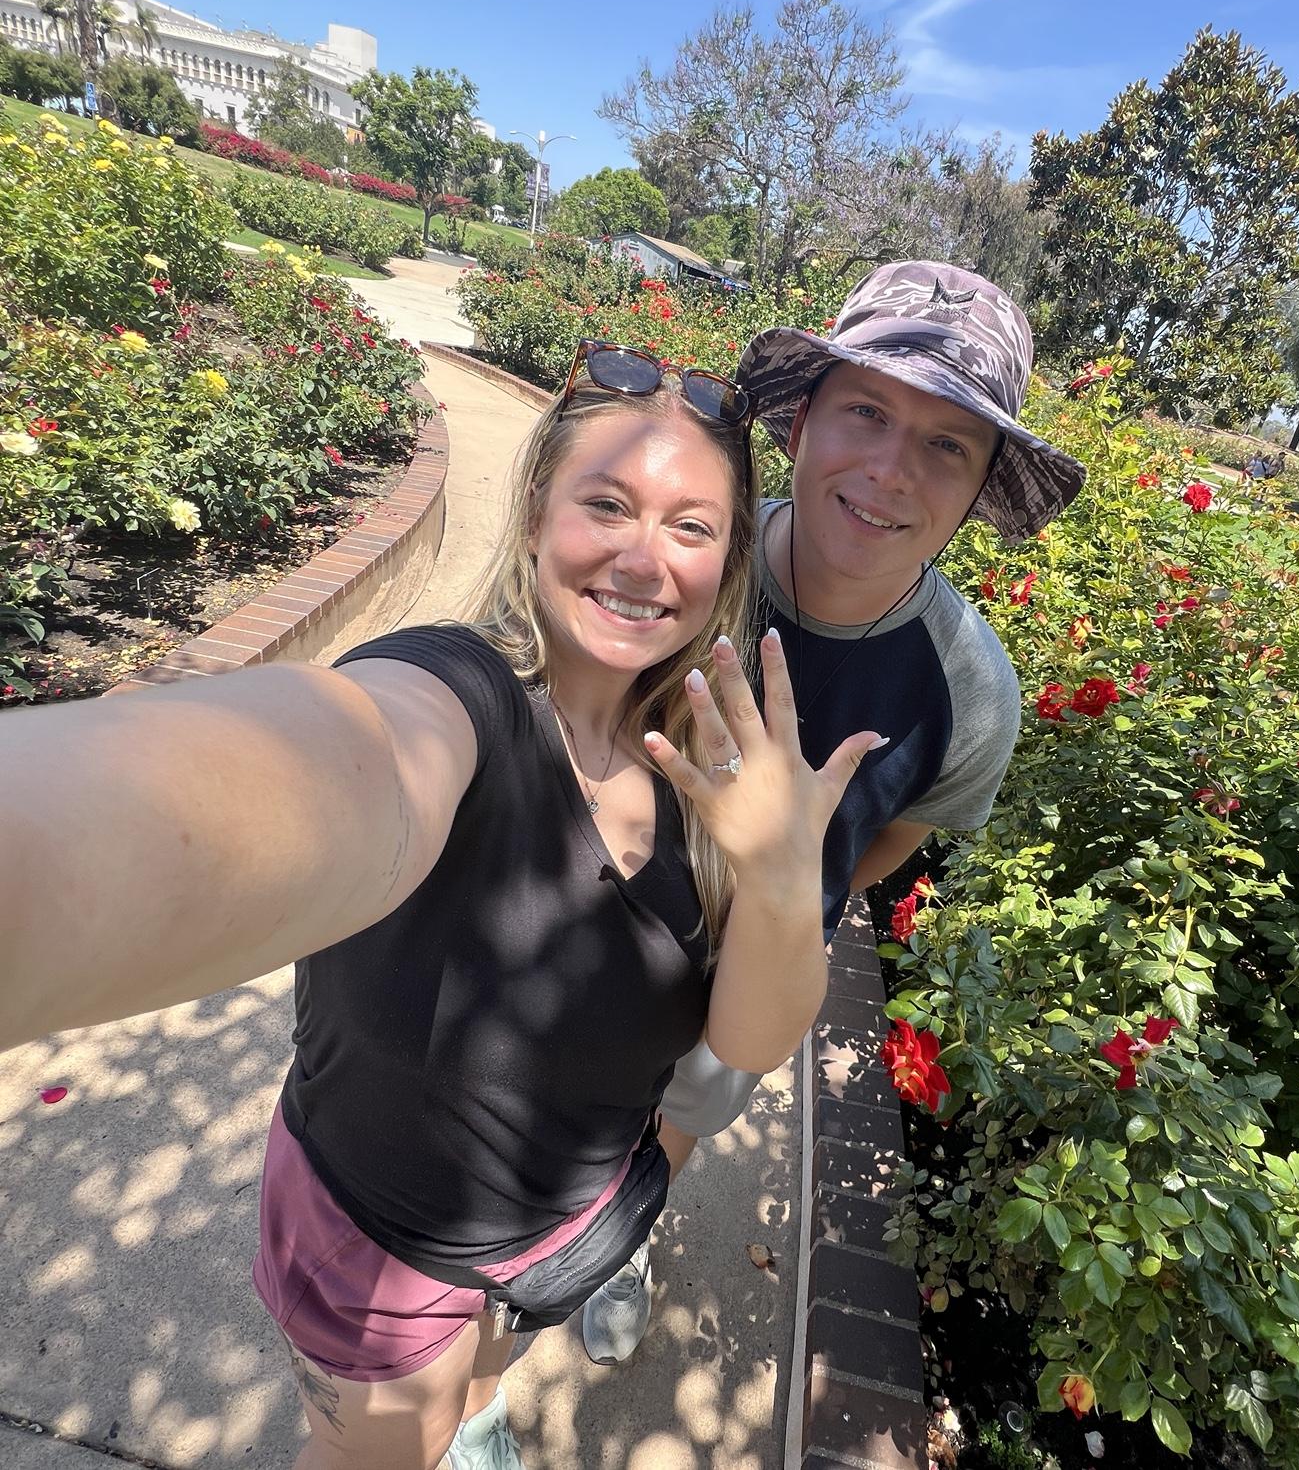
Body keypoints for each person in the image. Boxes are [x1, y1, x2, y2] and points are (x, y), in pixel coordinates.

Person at [0, 339, 884, 1470]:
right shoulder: (454, 695)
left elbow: (750, 1039)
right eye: (605, 503)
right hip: (385, 1247)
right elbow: (329, 764)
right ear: (530, 515)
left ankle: (480, 1408)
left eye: (691, 527)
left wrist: (769, 875)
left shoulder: (708, 766)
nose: (644, 558)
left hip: (566, 1227)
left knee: (475, 1386)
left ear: (726, 564)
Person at [579, 261, 1089, 1366]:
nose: (890, 471)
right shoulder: (689, 556)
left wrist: (779, 893)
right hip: (593, 903)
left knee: (687, 1103)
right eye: (867, 411)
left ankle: (624, 1237)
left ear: (977, 485)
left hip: (760, 956)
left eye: (946, 444)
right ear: (802, 422)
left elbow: (891, 843)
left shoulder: (969, 692)